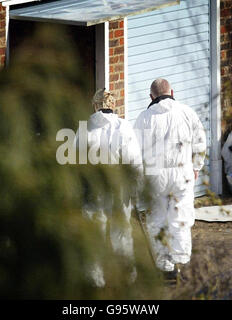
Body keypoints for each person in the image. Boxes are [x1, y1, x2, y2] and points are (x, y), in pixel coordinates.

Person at [134, 78, 206, 279]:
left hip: (155, 177)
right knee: (180, 219)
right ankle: (182, 265)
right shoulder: (187, 112)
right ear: (172, 92)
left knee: (158, 220)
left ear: (151, 96)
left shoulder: (143, 118)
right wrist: (196, 166)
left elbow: (135, 152)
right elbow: (200, 142)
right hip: (182, 174)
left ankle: (165, 269)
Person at [75, 88, 142, 287]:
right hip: (119, 186)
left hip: (93, 187)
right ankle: (126, 275)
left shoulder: (84, 127)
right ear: (113, 105)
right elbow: (134, 160)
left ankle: (94, 279)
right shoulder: (124, 127)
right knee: (121, 231)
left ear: (95, 105)